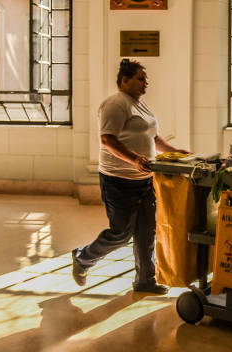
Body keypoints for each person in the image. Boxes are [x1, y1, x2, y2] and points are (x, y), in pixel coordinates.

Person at [71, 58, 187, 294]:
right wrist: (134, 159)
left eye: (146, 79)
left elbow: (153, 139)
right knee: (121, 233)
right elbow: (107, 140)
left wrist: (174, 152)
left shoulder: (140, 105)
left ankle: (145, 280)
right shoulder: (115, 104)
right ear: (124, 81)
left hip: (144, 179)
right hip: (118, 181)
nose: (146, 83)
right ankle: (83, 258)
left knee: (146, 231)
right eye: (140, 79)